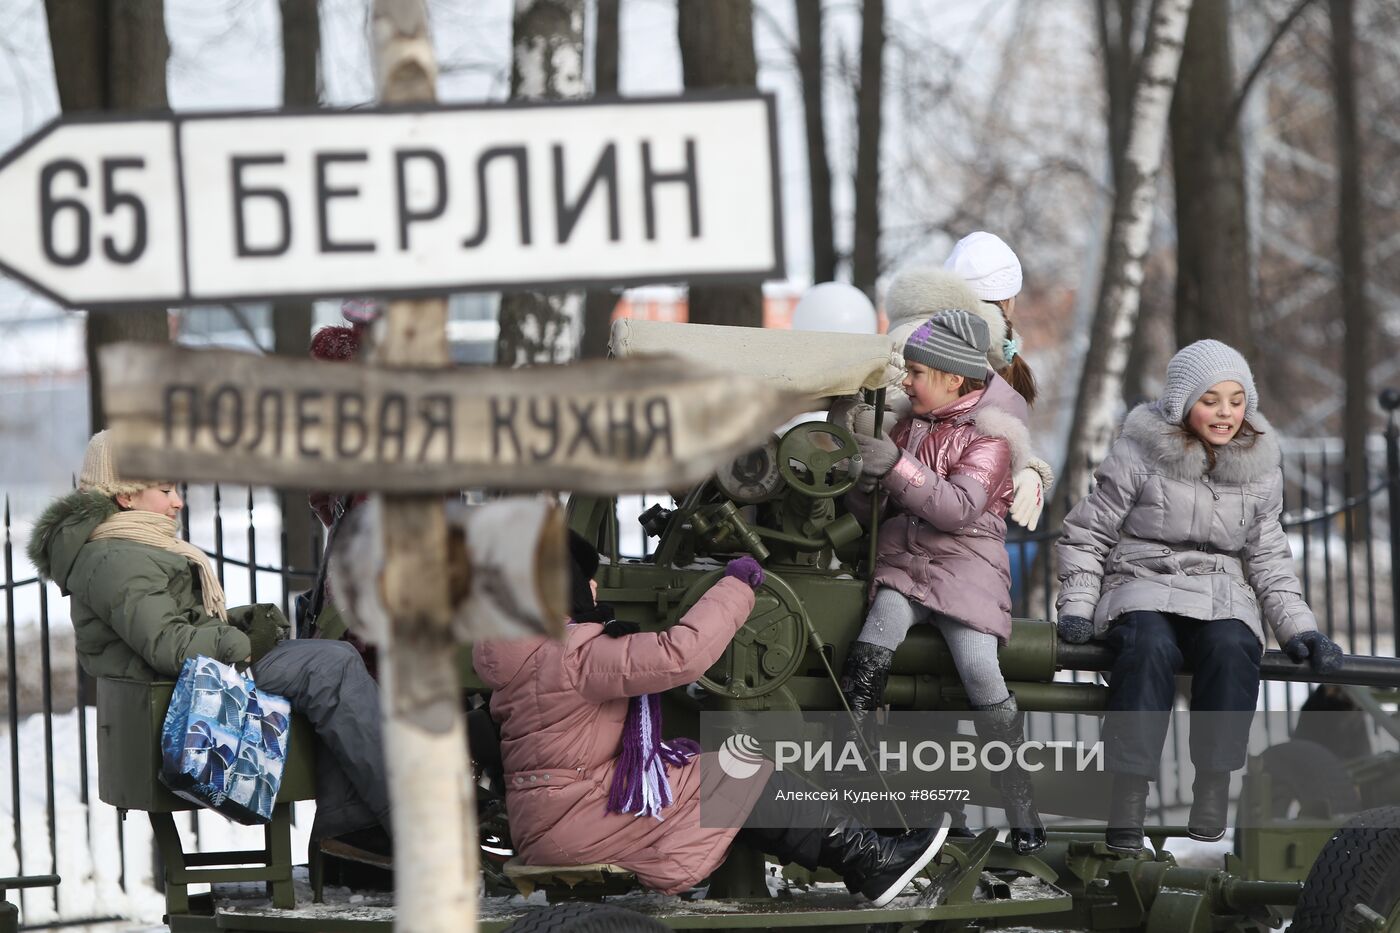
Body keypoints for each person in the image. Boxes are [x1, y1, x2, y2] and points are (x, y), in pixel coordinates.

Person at [472, 534, 949, 907]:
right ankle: (873, 862)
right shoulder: (575, 656)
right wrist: (738, 586)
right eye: (586, 583)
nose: (595, 590)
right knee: (742, 771)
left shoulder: (517, 658)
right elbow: (682, 655)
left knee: (707, 772)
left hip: (547, 826)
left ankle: (864, 855)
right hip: (579, 823)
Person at [27, 432, 392, 862]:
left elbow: (166, 625)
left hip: (194, 683)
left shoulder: (127, 546)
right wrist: (237, 640)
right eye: (165, 490)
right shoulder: (116, 556)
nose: (177, 501)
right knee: (331, 667)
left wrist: (237, 621)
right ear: (125, 497)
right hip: (185, 695)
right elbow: (167, 645)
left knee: (337, 658)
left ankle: (352, 828)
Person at [1055, 340, 1342, 851]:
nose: (1226, 412)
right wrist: (1077, 606)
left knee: (1234, 647)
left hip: (1219, 592)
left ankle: (1213, 781)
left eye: (1236, 400)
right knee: (1148, 648)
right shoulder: (1138, 454)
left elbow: (1269, 558)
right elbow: (1087, 533)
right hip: (1142, 582)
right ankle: (1129, 791)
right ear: (1182, 403)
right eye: (1211, 400)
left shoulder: (1258, 469)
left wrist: (1301, 628)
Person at [837, 309, 1046, 855]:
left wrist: (896, 466)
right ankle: (850, 768)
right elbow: (872, 510)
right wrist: (864, 466)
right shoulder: (907, 424)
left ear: (954, 378)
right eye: (907, 370)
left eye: (918, 372)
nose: (906, 381)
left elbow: (956, 509)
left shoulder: (991, 441)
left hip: (963, 572)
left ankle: (1017, 792)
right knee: (871, 646)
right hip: (906, 567)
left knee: (979, 670)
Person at [858, 247, 1053, 532]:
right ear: (1009, 301)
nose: (906, 381)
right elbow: (927, 427)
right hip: (927, 524)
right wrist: (1018, 463)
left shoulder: (928, 335)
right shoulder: (941, 341)